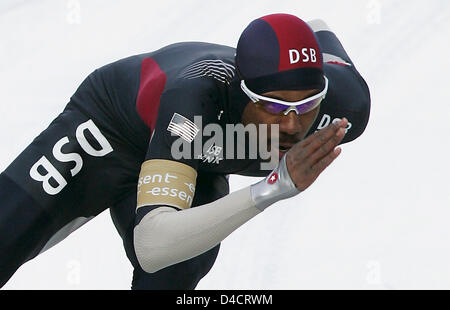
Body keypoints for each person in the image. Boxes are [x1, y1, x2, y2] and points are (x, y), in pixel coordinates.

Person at [0, 14, 370, 289]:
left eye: (306, 107)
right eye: (272, 107)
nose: (292, 125)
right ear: (242, 92)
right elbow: (151, 244)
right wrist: (273, 187)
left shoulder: (347, 106)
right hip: (115, 129)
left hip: (196, 160)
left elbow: (317, 26)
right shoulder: (194, 99)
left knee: (175, 271)